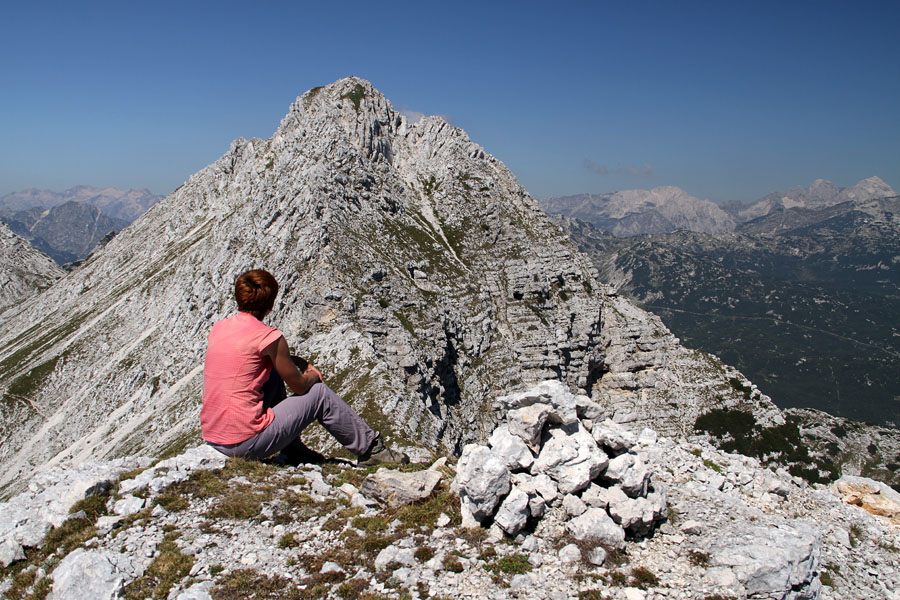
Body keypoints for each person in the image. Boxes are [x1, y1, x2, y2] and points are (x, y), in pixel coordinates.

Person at [200, 269, 407, 465]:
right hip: (245, 444)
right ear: (271, 304)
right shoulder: (269, 337)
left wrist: (292, 360)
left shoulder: (219, 328)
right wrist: (311, 375)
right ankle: (373, 451)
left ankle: (293, 449)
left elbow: (246, 358)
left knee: (271, 374)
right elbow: (299, 387)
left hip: (215, 439)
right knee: (319, 394)